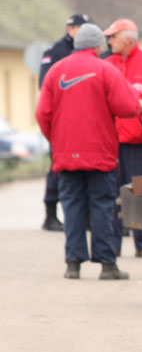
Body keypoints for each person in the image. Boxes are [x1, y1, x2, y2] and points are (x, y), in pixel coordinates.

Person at [35, 24, 141, 280]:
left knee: (71, 206)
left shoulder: (55, 71)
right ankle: (107, 264)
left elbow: (42, 113)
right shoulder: (106, 70)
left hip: (65, 155)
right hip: (100, 154)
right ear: (97, 46)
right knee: (102, 206)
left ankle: (73, 263)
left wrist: (58, 141)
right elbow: (129, 108)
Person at [104, 18, 142, 258]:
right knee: (112, 192)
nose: (109, 41)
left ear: (127, 40)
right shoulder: (107, 64)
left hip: (139, 143)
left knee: (140, 191)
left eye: (113, 37)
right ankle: (113, 244)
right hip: (111, 142)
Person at [38, 13, 90, 232]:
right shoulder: (55, 52)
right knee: (58, 167)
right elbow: (45, 88)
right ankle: (50, 215)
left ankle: (84, 217)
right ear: (71, 29)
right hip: (61, 122)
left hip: (84, 121)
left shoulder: (90, 52)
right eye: (82, 28)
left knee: (86, 166)